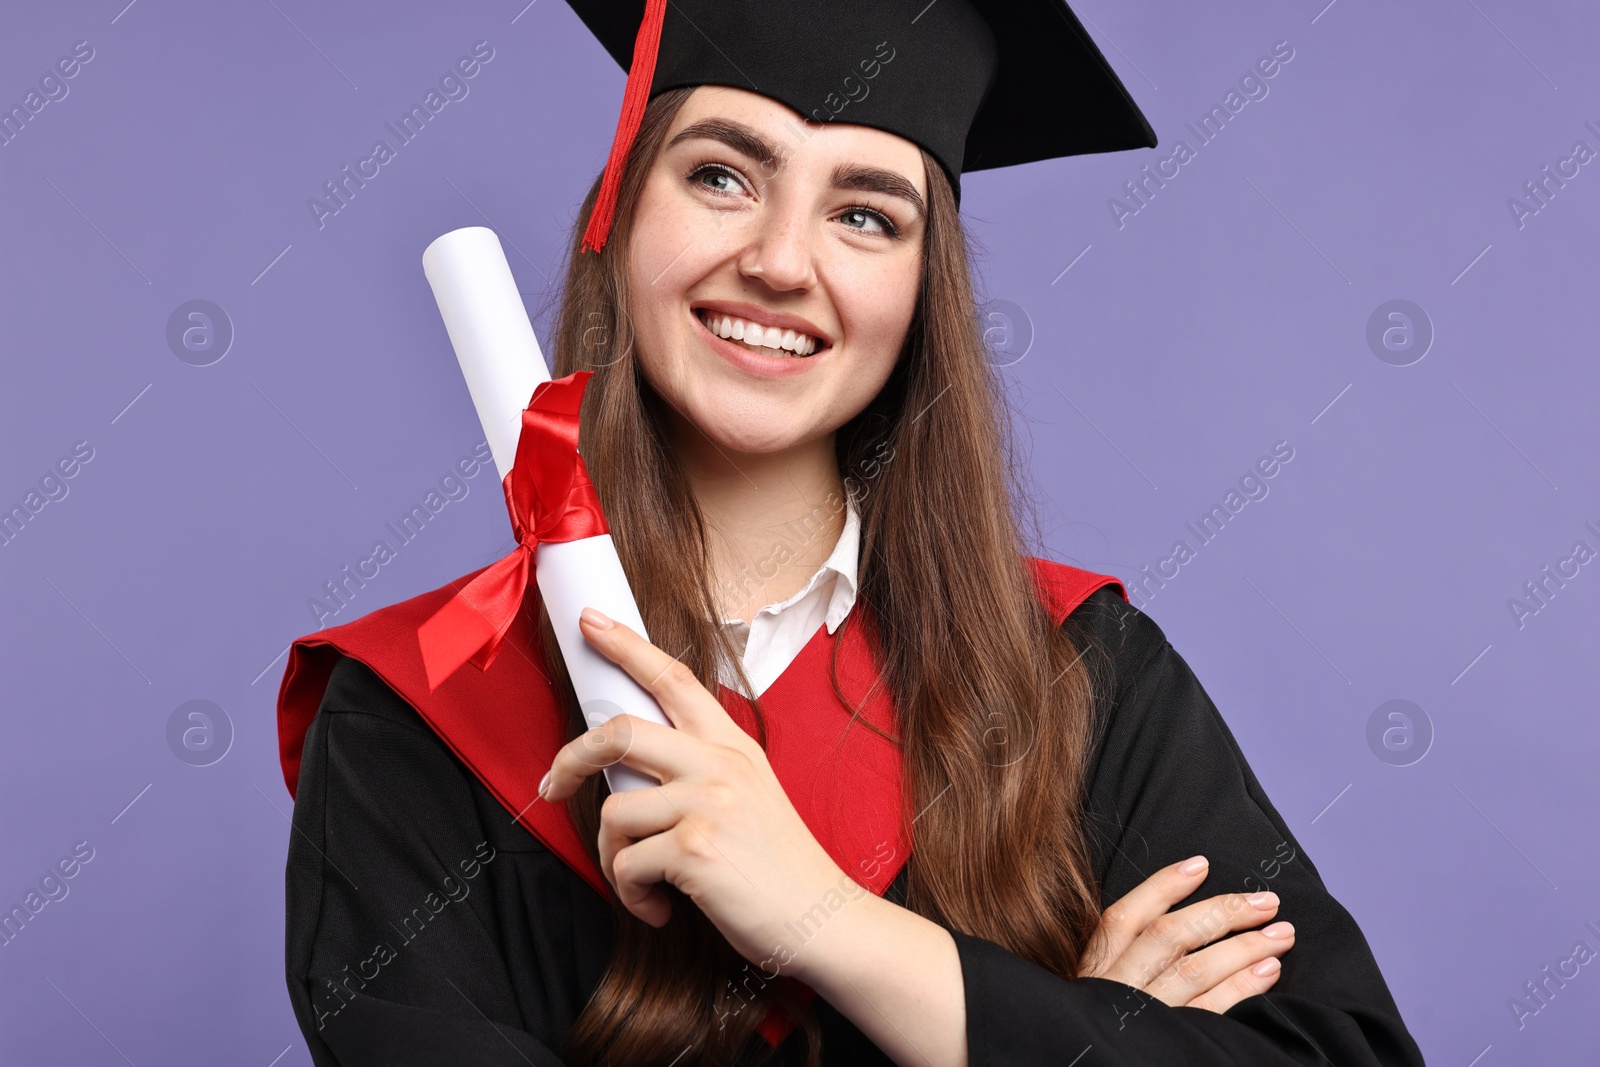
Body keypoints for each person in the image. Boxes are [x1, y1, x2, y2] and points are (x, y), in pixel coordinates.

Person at [275, 1, 1428, 1064]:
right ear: (618, 218)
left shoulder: (1079, 674)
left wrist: (829, 922)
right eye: (722, 175)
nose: (780, 261)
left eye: (865, 214)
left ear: (924, 288)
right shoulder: (417, 711)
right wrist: (1074, 1034)